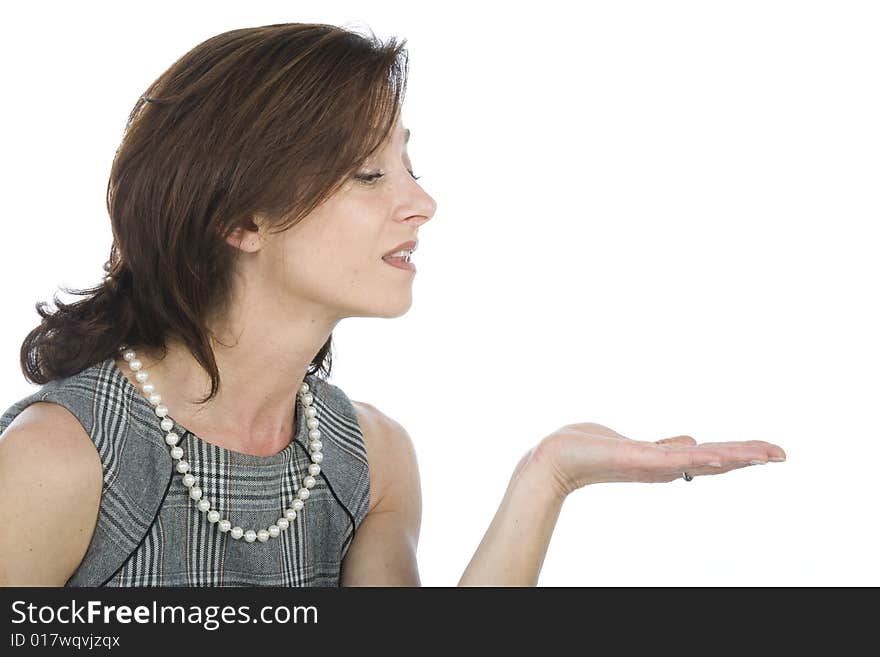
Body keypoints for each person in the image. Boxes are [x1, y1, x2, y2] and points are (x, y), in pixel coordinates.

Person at [0, 22, 785, 587]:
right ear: (240, 219)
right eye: (369, 175)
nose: (423, 203)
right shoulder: (59, 460)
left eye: (409, 164)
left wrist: (546, 477)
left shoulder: (369, 459)